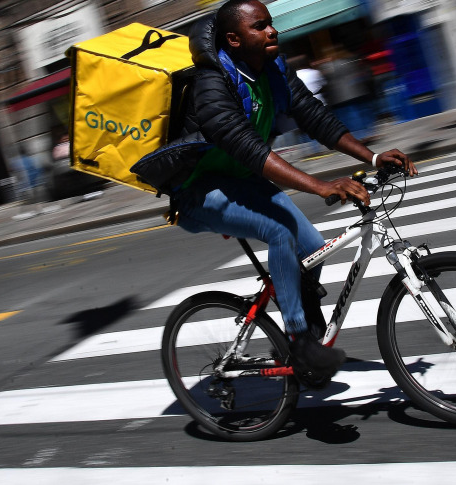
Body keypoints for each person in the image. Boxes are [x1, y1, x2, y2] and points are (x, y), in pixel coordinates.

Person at [154, 0, 416, 384]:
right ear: (234, 39)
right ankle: (299, 339)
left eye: (270, 24)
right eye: (259, 26)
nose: (272, 31)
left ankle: (309, 336)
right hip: (199, 191)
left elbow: (315, 117)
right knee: (279, 232)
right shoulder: (210, 84)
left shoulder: (273, 70)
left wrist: (372, 155)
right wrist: (321, 185)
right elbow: (248, 147)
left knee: (311, 247)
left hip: (243, 182)